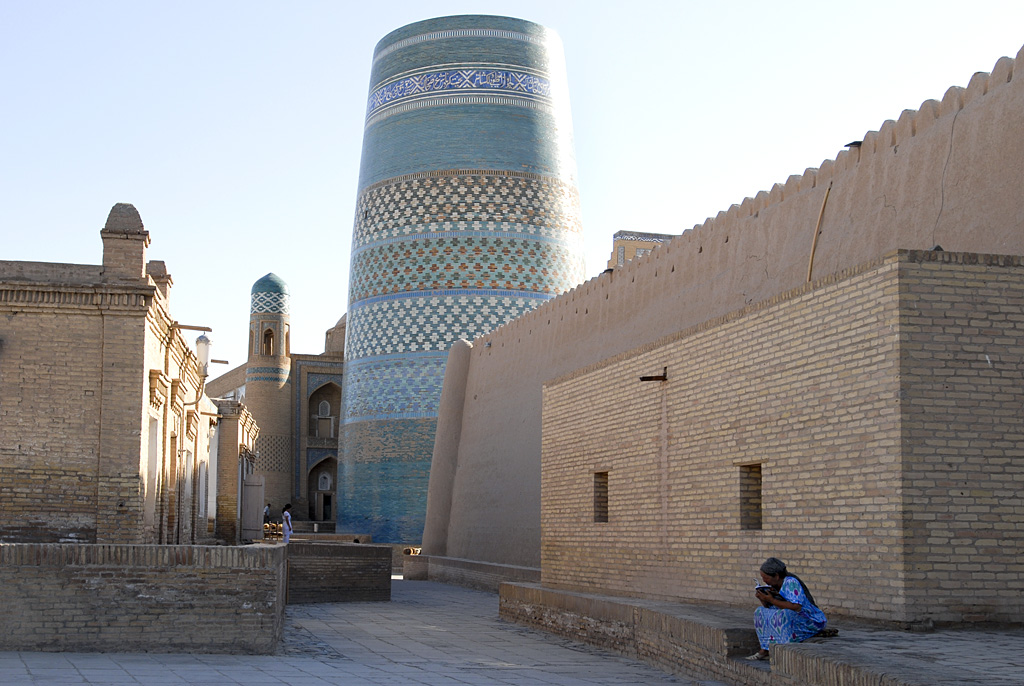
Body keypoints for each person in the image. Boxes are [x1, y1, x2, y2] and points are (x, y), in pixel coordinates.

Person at [747, 557, 827, 661]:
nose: (764, 580)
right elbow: (770, 607)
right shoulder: (773, 585)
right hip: (793, 617)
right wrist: (763, 599)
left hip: (809, 620)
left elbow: (796, 606)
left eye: (766, 577)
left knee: (784, 615)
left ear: (776, 576)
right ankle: (765, 648)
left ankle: (784, 650)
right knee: (760, 612)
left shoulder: (791, 582)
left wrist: (771, 600)